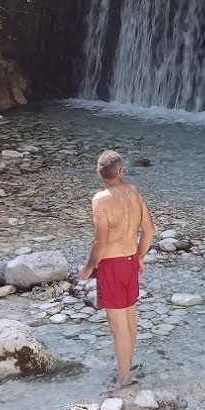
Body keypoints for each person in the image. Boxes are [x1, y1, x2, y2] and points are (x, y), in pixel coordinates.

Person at [78, 150, 155, 391]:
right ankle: (126, 367)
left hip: (111, 266)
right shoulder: (133, 192)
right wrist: (139, 256)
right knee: (130, 319)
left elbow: (100, 242)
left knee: (117, 326)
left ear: (98, 173)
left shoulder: (100, 200)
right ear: (121, 171)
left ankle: (124, 379)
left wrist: (88, 268)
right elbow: (149, 230)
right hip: (130, 262)